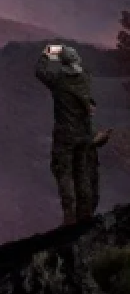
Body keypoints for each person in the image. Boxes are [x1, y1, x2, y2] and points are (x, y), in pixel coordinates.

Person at [35, 45, 110, 225]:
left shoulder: (59, 81)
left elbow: (40, 72)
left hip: (65, 136)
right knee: (81, 173)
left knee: (65, 174)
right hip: (83, 135)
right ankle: (84, 215)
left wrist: (47, 53)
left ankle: (69, 215)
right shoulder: (85, 79)